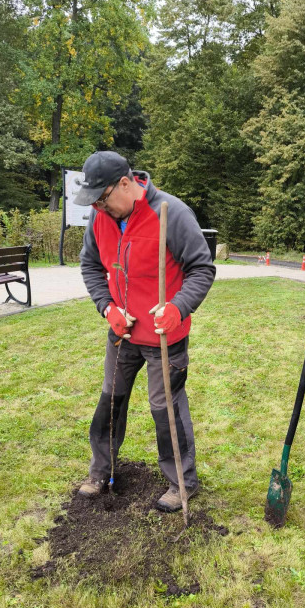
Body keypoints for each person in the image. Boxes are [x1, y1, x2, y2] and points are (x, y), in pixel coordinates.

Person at [74, 151, 215, 511]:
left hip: (163, 337)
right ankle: (100, 472)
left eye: (103, 199)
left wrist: (178, 307)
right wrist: (108, 308)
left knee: (164, 408)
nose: (100, 209)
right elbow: (90, 265)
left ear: (126, 183)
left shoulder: (173, 213)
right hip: (122, 334)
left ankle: (181, 481)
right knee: (110, 400)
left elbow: (202, 268)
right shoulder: (100, 217)